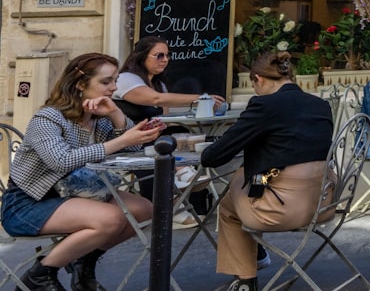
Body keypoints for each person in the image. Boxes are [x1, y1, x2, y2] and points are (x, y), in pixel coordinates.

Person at [1, 53, 163, 291]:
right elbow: (61, 161)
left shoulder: (98, 118)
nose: (114, 88)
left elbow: (134, 147)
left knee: (145, 210)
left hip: (77, 195)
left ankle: (83, 261)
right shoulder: (48, 118)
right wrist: (118, 142)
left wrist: (117, 114)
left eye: (115, 81)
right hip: (29, 203)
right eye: (106, 82)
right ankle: (40, 276)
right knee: (111, 219)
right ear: (80, 84)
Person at [200, 52, 334, 291]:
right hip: (324, 203)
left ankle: (246, 278)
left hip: (279, 210)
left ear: (258, 79)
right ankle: (256, 256)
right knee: (251, 178)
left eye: (253, 85)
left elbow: (212, 157)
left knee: (234, 191)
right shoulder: (321, 105)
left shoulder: (264, 105)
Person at [113, 35, 226, 226]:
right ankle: (180, 177)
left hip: (152, 137)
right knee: (163, 140)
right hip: (127, 140)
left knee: (187, 136)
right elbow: (155, 100)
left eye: (167, 55)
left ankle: (182, 180)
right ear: (142, 57)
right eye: (159, 55)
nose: (165, 60)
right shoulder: (125, 79)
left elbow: (163, 117)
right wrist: (200, 98)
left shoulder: (159, 83)